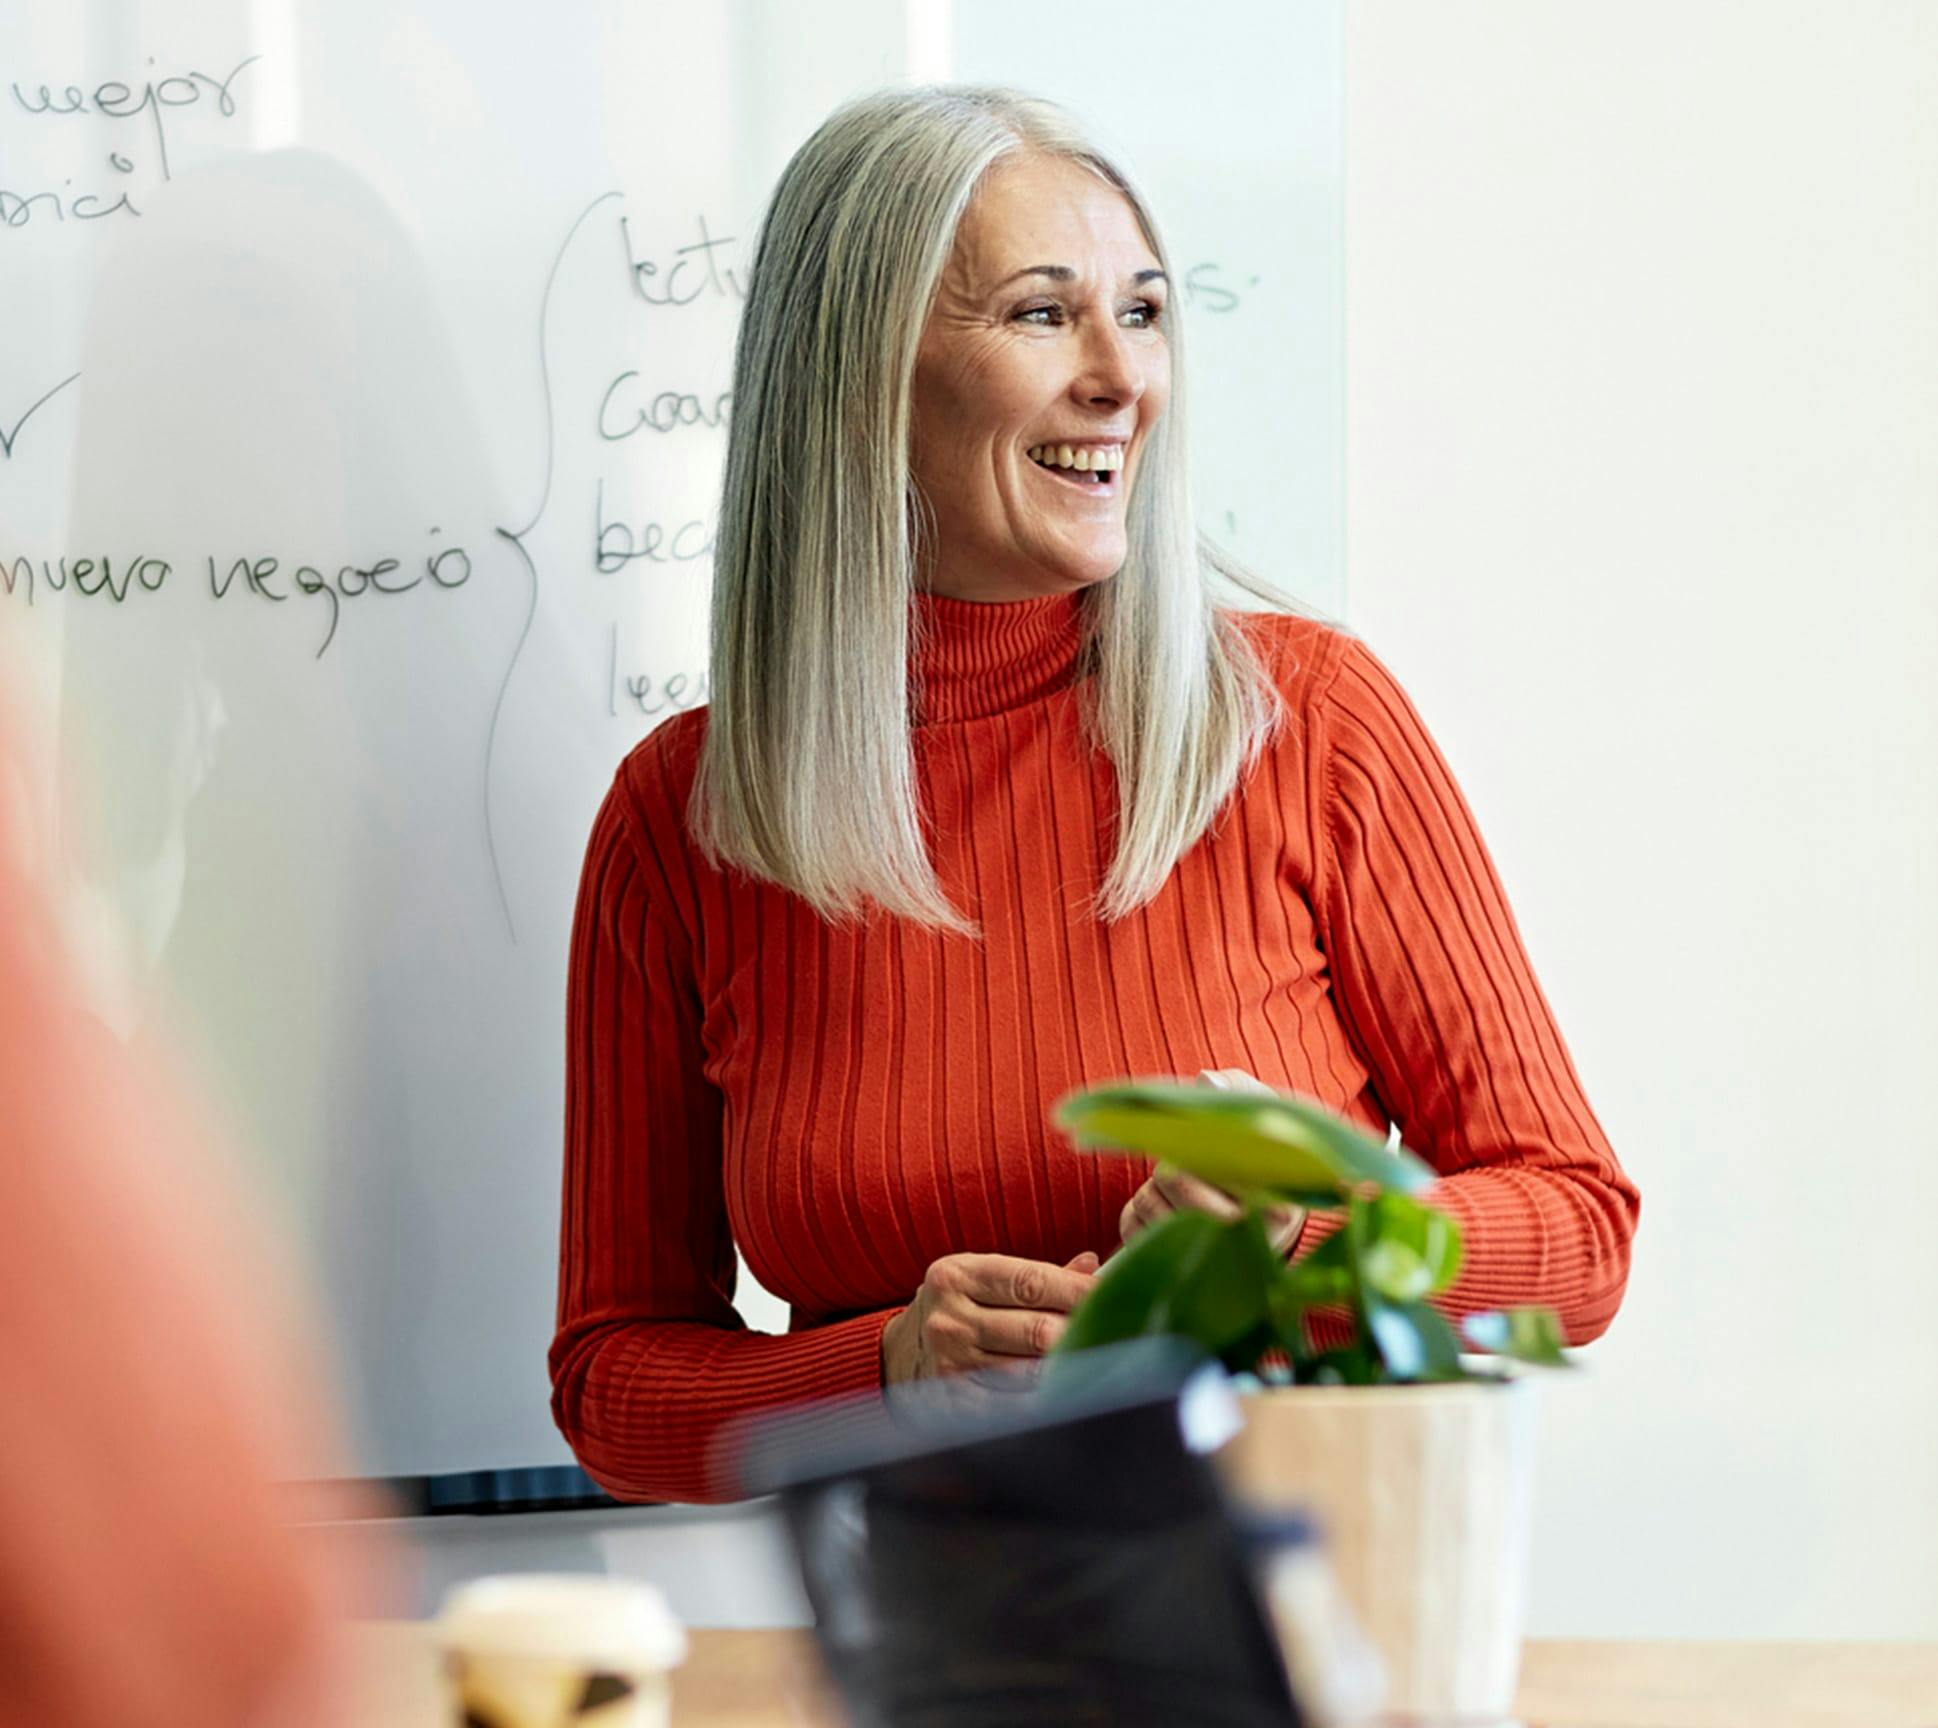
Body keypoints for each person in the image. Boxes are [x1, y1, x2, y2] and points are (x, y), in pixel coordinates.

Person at [550, 85, 1640, 1505]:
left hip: (1288, 1633)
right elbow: (614, 1388)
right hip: (905, 1649)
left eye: (1140, 311)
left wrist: (1304, 1245)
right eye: (1039, 313)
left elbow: (1577, 1233)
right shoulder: (683, 817)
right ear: (856, 375)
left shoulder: (1311, 723)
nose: (1123, 378)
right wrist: (887, 1371)